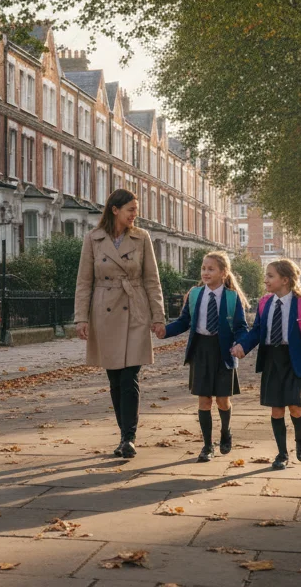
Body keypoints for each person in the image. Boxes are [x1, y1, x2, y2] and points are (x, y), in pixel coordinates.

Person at [74, 189, 166, 459]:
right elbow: (84, 281)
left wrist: (158, 316)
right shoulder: (93, 239)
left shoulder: (142, 238)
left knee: (129, 377)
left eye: (135, 210)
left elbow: (152, 279)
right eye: (130, 209)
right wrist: (81, 318)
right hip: (104, 311)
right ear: (115, 209)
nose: (135, 214)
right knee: (114, 379)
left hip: (135, 308)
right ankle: (123, 433)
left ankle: (129, 438)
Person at [231, 259, 301, 470]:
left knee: (295, 407)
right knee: (276, 410)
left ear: (285, 279)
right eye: (266, 275)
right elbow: (257, 331)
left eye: (270, 276)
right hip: (272, 359)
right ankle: (282, 453)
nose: (266, 279)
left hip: (295, 359)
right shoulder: (265, 302)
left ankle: (300, 437)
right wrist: (242, 346)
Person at [158, 252, 247, 462]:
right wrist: (165, 331)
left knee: (223, 401)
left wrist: (242, 343)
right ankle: (207, 445)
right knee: (204, 400)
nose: (205, 272)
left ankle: (226, 432)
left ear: (223, 273)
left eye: (211, 269)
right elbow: (184, 321)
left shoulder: (232, 297)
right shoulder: (195, 294)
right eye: (203, 268)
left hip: (224, 351)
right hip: (201, 350)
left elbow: (241, 326)